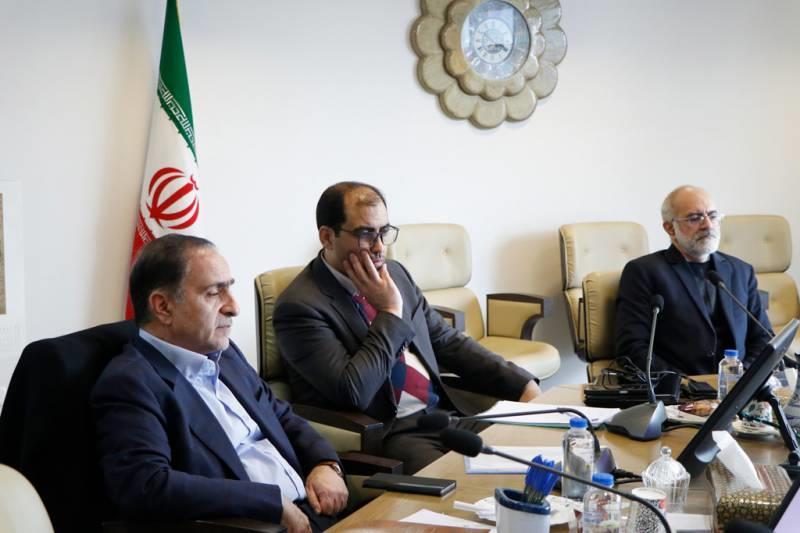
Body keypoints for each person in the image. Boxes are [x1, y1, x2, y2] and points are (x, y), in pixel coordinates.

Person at [273, 181, 541, 474]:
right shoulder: (300, 306)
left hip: (445, 414)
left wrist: (521, 383)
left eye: (384, 232)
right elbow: (353, 391)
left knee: (536, 456)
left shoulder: (396, 274)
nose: (379, 247)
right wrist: (389, 311)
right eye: (365, 234)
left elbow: (444, 340)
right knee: (466, 486)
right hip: (392, 432)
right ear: (327, 237)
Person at [92, 234, 348, 533]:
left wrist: (324, 463)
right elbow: (147, 485)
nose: (233, 307)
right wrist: (269, 503)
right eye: (214, 293)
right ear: (163, 307)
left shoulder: (224, 353)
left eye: (230, 289)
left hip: (317, 512)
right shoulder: (131, 383)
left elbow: (280, 415)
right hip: (259, 526)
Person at [615, 185, 772, 375]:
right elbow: (632, 348)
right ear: (670, 228)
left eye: (712, 216)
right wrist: (685, 384)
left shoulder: (741, 271)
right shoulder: (644, 272)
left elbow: (763, 337)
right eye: (695, 218)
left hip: (738, 385)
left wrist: (744, 376)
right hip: (680, 388)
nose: (708, 225)